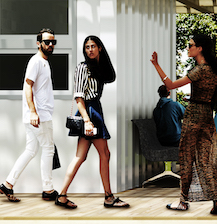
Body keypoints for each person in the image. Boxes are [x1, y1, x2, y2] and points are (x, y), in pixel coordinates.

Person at [151, 33, 217, 214]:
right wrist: (201, 97)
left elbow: (170, 84)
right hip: (207, 115)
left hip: (193, 116)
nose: (188, 47)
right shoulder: (214, 71)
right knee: (206, 158)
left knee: (186, 156)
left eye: (191, 45)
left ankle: (183, 201)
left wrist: (156, 65)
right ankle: (216, 198)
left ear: (200, 48)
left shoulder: (198, 70)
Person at [56, 35, 128, 209]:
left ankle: (62, 195)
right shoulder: (83, 67)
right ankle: (108, 197)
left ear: (100, 48)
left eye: (93, 46)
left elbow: (110, 76)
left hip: (94, 109)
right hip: (89, 112)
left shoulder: (98, 68)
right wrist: (87, 121)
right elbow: (79, 97)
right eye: (87, 47)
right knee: (104, 154)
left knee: (81, 156)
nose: (90, 49)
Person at [0, 29, 59, 204]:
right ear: (38, 43)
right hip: (39, 115)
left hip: (36, 115)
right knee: (48, 149)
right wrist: (33, 112)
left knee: (31, 150)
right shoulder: (36, 61)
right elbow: (28, 87)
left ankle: (8, 183)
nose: (50, 45)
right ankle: (48, 189)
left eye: (52, 42)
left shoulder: (43, 62)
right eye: (47, 42)